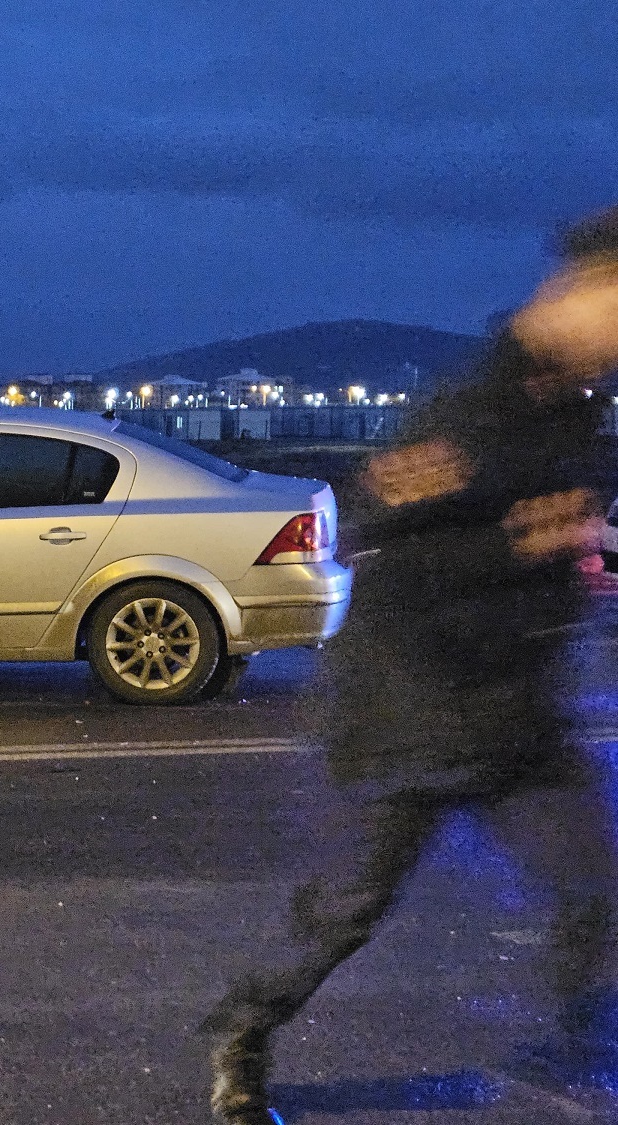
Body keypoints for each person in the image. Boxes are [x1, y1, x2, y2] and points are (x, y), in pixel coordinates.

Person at [201, 206, 618, 1124]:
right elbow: (380, 550)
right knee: (349, 907)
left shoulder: (578, 415)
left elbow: (569, 547)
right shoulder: (472, 408)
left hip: (518, 710)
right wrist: (515, 546)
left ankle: (586, 1034)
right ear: (581, 293)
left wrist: (563, 564)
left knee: (595, 887)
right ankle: (245, 1031)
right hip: (416, 706)